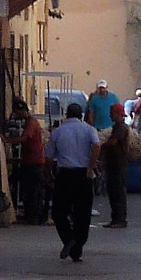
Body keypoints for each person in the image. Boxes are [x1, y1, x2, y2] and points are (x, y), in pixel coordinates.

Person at [48, 103, 98, 262]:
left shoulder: (58, 132)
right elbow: (97, 145)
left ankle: (69, 239)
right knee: (82, 212)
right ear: (81, 115)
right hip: (83, 174)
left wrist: (49, 173)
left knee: (58, 212)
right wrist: (91, 167)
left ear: (66, 115)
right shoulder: (89, 129)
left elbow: (48, 156)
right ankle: (78, 245)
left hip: (65, 174)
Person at [99, 103, 133, 229]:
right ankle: (115, 218)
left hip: (118, 164)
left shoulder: (122, 128)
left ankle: (120, 219)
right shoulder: (116, 127)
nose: (110, 115)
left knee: (118, 192)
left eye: (112, 113)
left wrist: (103, 146)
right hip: (114, 163)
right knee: (113, 192)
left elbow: (113, 143)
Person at [16, 110, 49, 225]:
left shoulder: (31, 123)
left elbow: (25, 138)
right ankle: (32, 214)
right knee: (32, 190)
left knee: (33, 190)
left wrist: (8, 141)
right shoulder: (31, 122)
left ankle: (34, 215)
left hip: (33, 162)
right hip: (31, 160)